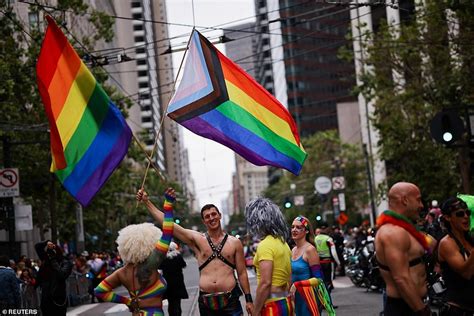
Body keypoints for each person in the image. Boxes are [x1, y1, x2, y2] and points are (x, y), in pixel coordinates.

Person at [137, 189, 253, 316]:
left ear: (220, 215)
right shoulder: (197, 240)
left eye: (214, 214)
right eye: (207, 216)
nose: (211, 218)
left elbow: (242, 273)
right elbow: (169, 224)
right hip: (206, 302)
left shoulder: (234, 243)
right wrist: (147, 202)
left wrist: (249, 300)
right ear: (204, 221)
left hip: (231, 301)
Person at [94, 188, 175, 315]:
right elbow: (167, 234)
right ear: (148, 244)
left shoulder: (121, 273)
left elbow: (99, 291)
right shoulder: (152, 263)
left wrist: (127, 301)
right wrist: (168, 204)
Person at [375, 182, 433, 316]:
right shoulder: (393, 233)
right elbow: (401, 278)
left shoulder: (405, 230)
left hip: (414, 305)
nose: (421, 205)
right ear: (405, 200)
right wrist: (422, 311)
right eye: (418, 200)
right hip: (405, 308)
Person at [245, 197, 293, 315]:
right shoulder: (283, 243)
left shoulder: (265, 245)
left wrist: (256, 311)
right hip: (286, 302)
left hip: (272, 305)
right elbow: (290, 277)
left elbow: (265, 283)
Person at [290, 216, 334, 316]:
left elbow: (319, 280)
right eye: (292, 227)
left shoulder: (310, 250)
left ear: (306, 231)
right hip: (294, 300)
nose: (294, 230)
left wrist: (297, 285)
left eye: (298, 227)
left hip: (308, 301)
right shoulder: (293, 250)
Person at [438, 197, 474, 315]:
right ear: (448, 218)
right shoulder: (447, 243)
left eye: (467, 212)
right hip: (457, 311)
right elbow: (466, 273)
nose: (466, 216)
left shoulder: (470, 240)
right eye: (460, 214)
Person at [34, 240, 73, 316]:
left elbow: (62, 275)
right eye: (49, 252)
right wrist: (47, 242)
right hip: (46, 297)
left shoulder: (65, 262)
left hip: (58, 298)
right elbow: (37, 246)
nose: (49, 254)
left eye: (52, 251)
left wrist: (53, 260)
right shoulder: (45, 259)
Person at [159, 241, 189, 316]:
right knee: (177, 303)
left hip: (168, 284)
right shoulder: (178, 256)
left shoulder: (163, 258)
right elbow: (184, 265)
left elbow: (159, 268)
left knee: (171, 303)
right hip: (178, 283)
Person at [314, 224, 340, 299]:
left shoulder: (315, 238)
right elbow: (334, 252)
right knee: (329, 282)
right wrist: (338, 263)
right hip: (328, 262)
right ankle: (328, 302)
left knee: (322, 282)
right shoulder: (328, 239)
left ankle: (322, 301)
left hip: (319, 263)